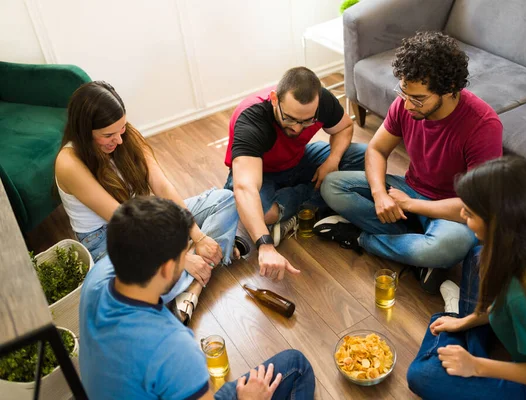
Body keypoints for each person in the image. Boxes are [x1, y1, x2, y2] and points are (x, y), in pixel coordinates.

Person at [314, 31, 503, 293]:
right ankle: (414, 248)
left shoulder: (483, 126)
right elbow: (377, 150)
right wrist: (380, 194)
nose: (408, 104)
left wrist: (410, 204)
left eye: (418, 99)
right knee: (333, 185)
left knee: (449, 247)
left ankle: (360, 238)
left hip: (451, 209)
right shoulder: (405, 104)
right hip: (409, 188)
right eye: (403, 93)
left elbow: (477, 206)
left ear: (449, 90)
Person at [79, 196, 315, 399]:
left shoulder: (96, 279)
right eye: (185, 256)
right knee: (297, 366)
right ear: (165, 269)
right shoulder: (172, 346)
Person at [406, 157, 526, 400]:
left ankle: (466, 343)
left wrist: (477, 366)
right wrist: (467, 321)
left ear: (498, 223)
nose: (462, 214)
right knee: (477, 255)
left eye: (470, 212)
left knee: (422, 376)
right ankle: (465, 334)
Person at [55, 81, 240, 324]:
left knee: (225, 199)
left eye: (121, 129)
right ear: (83, 131)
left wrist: (198, 236)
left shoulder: (125, 136)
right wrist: (182, 259)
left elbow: (162, 187)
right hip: (110, 238)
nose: (119, 140)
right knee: (127, 300)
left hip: (144, 219)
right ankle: (202, 269)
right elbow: (122, 220)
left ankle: (192, 284)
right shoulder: (69, 162)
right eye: (108, 135)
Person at [224, 66, 366, 281]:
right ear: (274, 99)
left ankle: (297, 205)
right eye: (290, 119)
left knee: (365, 156)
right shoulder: (251, 118)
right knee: (262, 214)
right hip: (261, 171)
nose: (298, 129)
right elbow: (245, 187)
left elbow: (344, 127)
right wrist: (265, 246)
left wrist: (332, 161)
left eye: (307, 121)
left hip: (299, 161)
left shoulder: (322, 101)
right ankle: (316, 197)